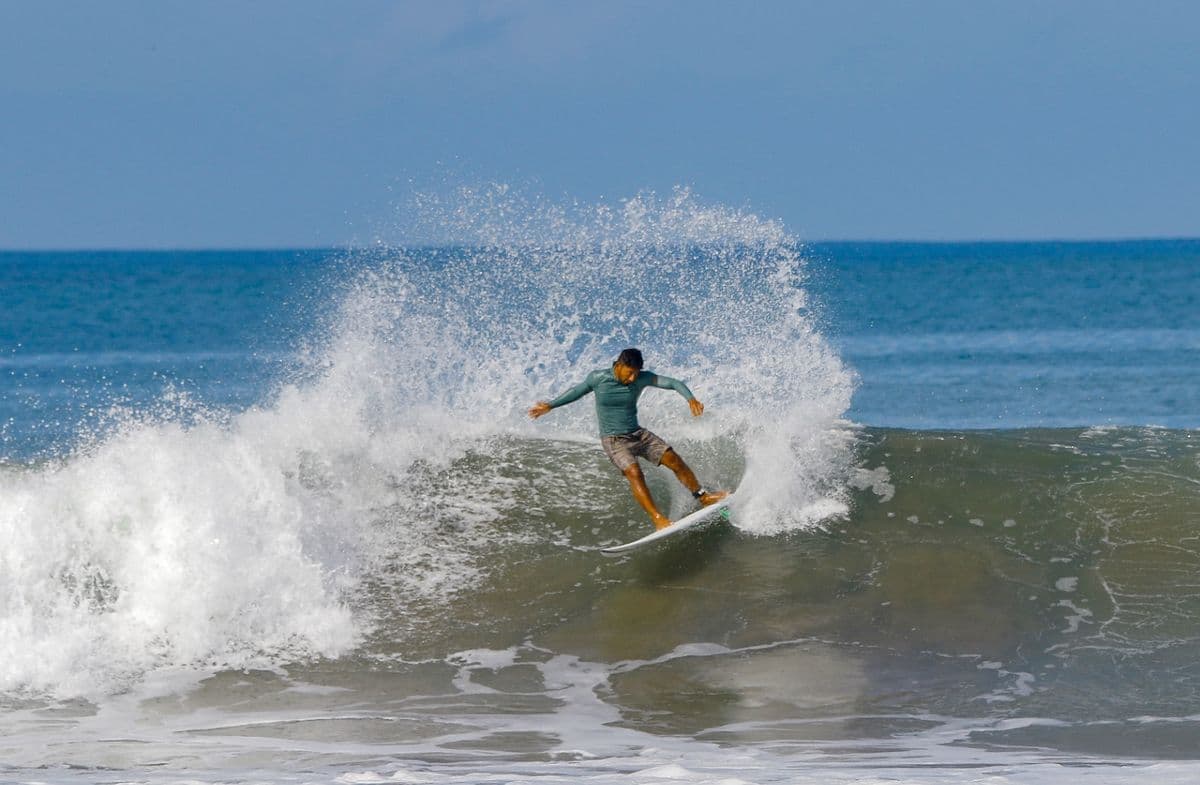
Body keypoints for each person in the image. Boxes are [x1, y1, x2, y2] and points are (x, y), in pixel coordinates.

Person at [529, 348, 728, 530]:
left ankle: (703, 498)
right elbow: (576, 392)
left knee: (674, 459)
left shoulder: (642, 378)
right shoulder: (598, 378)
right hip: (614, 440)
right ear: (619, 365)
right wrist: (550, 405)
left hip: (638, 434)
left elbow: (673, 383)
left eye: (636, 373)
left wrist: (690, 398)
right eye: (629, 372)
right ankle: (658, 519)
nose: (633, 378)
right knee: (634, 472)